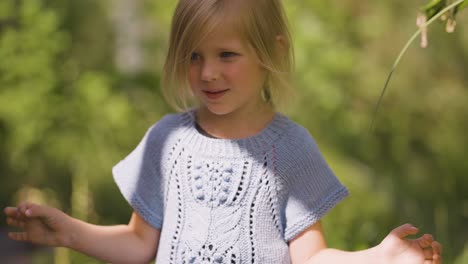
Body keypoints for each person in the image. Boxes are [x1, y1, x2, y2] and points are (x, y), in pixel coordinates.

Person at [4, 0, 442, 263]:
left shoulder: (290, 149)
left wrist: (375, 257)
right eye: (194, 56)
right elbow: (139, 243)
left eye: (227, 55)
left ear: (272, 52)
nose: (208, 72)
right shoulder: (167, 142)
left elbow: (310, 256)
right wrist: (67, 233)